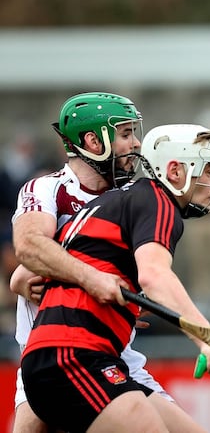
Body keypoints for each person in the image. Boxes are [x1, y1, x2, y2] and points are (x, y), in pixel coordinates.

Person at [19, 123, 210, 432]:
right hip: (74, 357)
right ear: (175, 170)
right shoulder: (157, 201)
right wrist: (208, 338)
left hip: (75, 357)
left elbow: (20, 277)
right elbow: (154, 275)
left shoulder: (116, 200)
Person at [8, 92, 188, 433]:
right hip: (51, 352)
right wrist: (90, 278)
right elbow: (30, 246)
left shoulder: (131, 197)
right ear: (92, 140)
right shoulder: (47, 188)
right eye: (126, 134)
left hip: (117, 355)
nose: (136, 144)